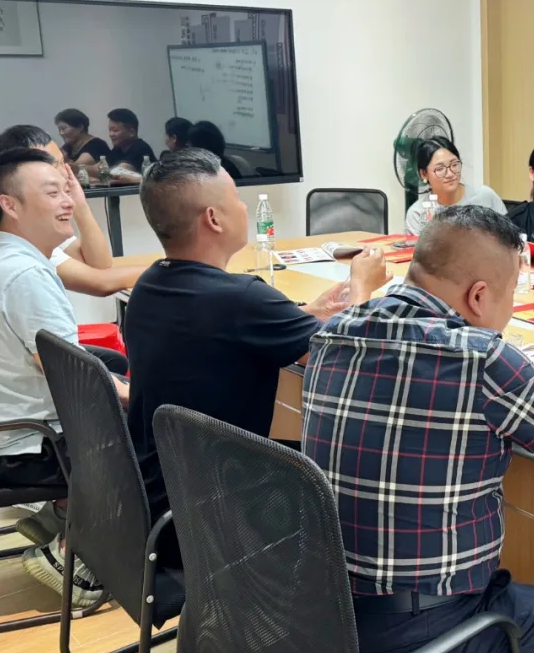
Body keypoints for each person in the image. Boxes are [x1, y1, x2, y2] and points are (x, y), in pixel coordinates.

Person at [303, 205, 534, 653]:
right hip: (429, 623)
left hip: (323, 609)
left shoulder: (331, 333)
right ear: (479, 296)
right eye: (510, 295)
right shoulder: (479, 357)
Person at [124, 146, 388, 565]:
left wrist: (311, 312)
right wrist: (362, 288)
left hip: (159, 499)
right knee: (359, 464)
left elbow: (225, 329)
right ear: (214, 218)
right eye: (236, 198)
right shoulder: (240, 299)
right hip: (215, 514)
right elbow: (345, 358)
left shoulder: (149, 285)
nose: (245, 208)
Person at [0, 147, 129, 608]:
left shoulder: (0, 258)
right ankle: (71, 557)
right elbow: (74, 379)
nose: (67, 202)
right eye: (53, 193)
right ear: (10, 204)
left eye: (67, 191)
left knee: (113, 370)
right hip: (25, 448)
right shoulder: (24, 274)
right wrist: (138, 397)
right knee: (154, 433)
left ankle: (56, 518)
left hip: (0, 432)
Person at [0, 125, 143, 300]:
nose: (63, 173)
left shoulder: (37, 221)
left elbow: (100, 264)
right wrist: (164, 269)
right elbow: (100, 282)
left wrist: (79, 204)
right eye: (51, 165)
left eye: (61, 162)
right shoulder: (0, 229)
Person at [404, 136, 506, 236]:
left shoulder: (485, 196)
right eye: (440, 169)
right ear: (424, 174)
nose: (450, 174)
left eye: (454, 165)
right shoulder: (418, 213)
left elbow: (509, 238)